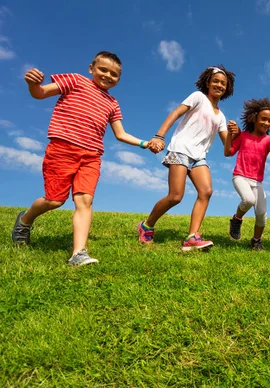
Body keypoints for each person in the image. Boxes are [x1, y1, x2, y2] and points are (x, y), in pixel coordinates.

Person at [11, 51, 161, 266]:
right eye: (103, 70)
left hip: (91, 156)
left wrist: (144, 143)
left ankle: (78, 253)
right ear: (91, 68)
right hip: (62, 149)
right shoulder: (75, 80)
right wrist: (33, 85)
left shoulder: (112, 103)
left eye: (114, 74)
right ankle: (25, 220)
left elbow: (120, 133)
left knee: (85, 200)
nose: (108, 75)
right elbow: (41, 93)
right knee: (54, 200)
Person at [137, 65, 236, 251]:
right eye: (216, 81)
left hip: (199, 157)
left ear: (227, 88)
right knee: (175, 196)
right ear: (208, 83)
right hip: (181, 149)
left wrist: (232, 134)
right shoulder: (198, 97)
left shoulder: (221, 116)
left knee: (206, 191)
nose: (219, 85)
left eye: (223, 83)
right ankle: (146, 226)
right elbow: (175, 114)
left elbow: (228, 150)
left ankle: (192, 237)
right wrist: (159, 136)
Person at [224, 98, 270, 251]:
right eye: (263, 119)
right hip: (240, 176)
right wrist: (230, 134)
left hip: (257, 181)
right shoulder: (244, 136)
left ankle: (256, 241)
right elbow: (228, 152)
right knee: (248, 199)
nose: (267, 123)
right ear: (254, 118)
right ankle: (236, 220)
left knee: (261, 214)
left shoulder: (269, 139)